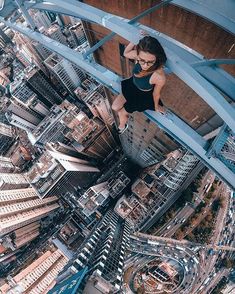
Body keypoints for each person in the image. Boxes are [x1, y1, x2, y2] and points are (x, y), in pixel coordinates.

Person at [112, 34, 167, 134]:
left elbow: (156, 94)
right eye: (142, 60)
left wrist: (155, 106)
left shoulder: (159, 75)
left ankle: (121, 127)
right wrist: (135, 39)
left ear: (157, 58)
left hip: (141, 97)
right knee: (114, 107)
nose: (145, 65)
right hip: (132, 86)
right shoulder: (139, 55)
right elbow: (126, 53)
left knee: (121, 112)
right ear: (138, 54)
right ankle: (124, 120)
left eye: (151, 62)